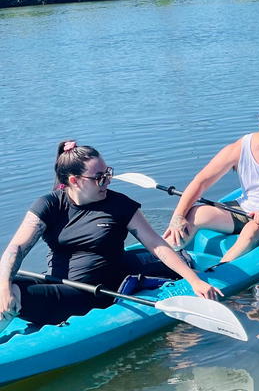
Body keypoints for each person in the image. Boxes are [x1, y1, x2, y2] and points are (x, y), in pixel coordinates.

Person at [0, 141, 222, 330]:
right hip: (58, 283)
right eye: (99, 178)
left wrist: (194, 280)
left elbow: (156, 245)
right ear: (74, 181)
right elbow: (16, 248)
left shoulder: (120, 205)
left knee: (17, 295)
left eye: (108, 174)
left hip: (93, 294)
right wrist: (3, 288)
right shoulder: (48, 204)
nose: (107, 181)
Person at [163, 99, 259, 264]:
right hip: (244, 209)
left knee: (251, 229)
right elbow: (201, 181)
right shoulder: (239, 148)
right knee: (194, 213)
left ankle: (219, 271)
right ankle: (162, 258)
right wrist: (178, 215)